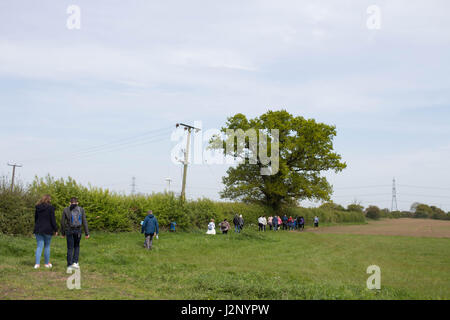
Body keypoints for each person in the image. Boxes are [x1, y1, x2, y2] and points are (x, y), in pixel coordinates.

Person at [61, 197, 89, 271]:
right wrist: (87, 233)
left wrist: (63, 233)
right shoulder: (81, 209)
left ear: (70, 203)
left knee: (70, 247)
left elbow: (62, 223)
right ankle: (75, 262)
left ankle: (69, 265)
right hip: (78, 230)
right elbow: (84, 221)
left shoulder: (65, 209)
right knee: (76, 246)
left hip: (69, 230)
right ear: (77, 203)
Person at [33, 195, 58, 269]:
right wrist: (56, 229)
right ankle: (46, 264)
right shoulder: (51, 208)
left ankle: (37, 264)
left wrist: (36, 226)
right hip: (48, 229)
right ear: (49, 200)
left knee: (39, 246)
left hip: (38, 229)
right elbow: (53, 220)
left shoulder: (37, 207)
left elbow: (36, 219)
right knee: (47, 246)